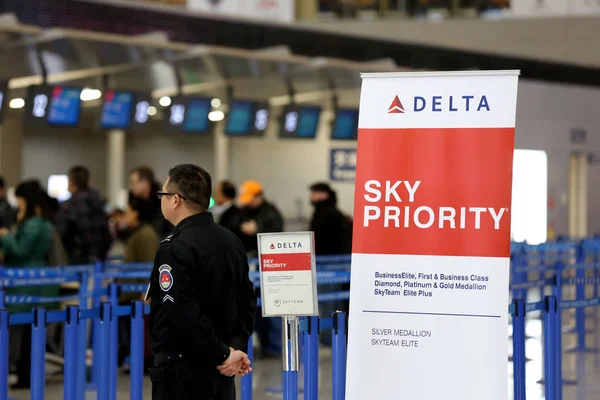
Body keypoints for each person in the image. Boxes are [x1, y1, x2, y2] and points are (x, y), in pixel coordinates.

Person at [146, 164, 257, 400]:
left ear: (175, 199)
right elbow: (247, 298)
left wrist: (222, 354)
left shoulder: (174, 246)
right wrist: (233, 349)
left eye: (162, 195)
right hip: (222, 368)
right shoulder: (231, 240)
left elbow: (182, 310)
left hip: (182, 370)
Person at [1, 181, 56, 389]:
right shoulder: (44, 223)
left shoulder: (32, 224)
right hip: (37, 283)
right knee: (31, 334)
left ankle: (24, 375)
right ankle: (28, 375)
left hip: (25, 284)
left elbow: (20, 250)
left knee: (21, 334)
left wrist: (6, 237)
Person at [237, 180, 284, 358]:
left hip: (269, 267)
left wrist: (258, 230)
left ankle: (275, 346)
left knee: (272, 308)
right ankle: (263, 344)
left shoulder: (271, 213)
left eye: (251, 198)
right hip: (250, 267)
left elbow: (277, 235)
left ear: (259, 196)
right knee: (253, 307)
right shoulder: (244, 212)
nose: (248, 202)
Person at [309, 182, 353, 346]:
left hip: (327, 265)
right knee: (336, 304)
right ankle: (337, 338)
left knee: (328, 304)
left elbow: (321, 241)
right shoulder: (334, 212)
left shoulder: (325, 214)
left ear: (323, 194)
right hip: (337, 265)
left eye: (314, 193)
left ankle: (330, 340)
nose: (311, 197)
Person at [55, 166, 113, 264]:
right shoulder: (99, 201)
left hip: (78, 260)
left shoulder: (69, 206)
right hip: (100, 259)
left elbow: (62, 233)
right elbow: (107, 232)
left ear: (71, 181)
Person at [129, 166, 173, 239]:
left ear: (145, 183)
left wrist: (138, 224)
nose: (132, 186)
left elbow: (161, 228)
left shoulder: (163, 198)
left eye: (134, 183)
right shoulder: (134, 198)